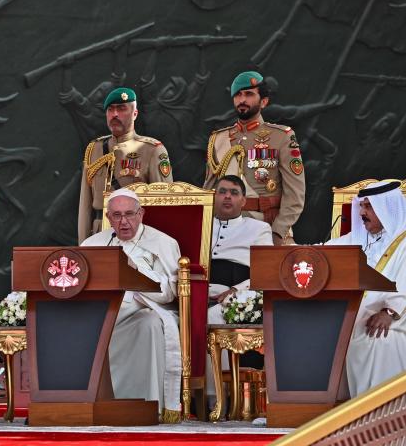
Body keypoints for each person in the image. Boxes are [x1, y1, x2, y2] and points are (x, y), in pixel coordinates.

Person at [326, 181, 406, 396]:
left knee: (377, 341)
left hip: (391, 318)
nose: (362, 212)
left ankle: (375, 410)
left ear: (387, 208)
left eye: (368, 206)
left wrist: (389, 312)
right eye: (361, 206)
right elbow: (324, 253)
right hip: (350, 313)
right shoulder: (355, 238)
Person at [80, 188, 182, 422]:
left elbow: (170, 292)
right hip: (101, 313)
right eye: (117, 215)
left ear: (141, 214)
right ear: (108, 218)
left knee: (148, 324)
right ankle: (89, 403)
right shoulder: (92, 243)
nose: (124, 222)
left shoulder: (164, 243)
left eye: (129, 214)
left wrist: (136, 272)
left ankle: (147, 403)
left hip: (143, 309)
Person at [204, 71, 305, 245]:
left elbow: (295, 195)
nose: (242, 99)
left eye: (249, 94)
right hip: (226, 232)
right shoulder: (217, 139)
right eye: (238, 95)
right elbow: (209, 193)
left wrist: (278, 233)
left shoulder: (282, 136)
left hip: (267, 227)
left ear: (264, 101)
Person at [78, 87, 173, 243]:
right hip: (99, 233)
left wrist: (157, 245)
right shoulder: (94, 149)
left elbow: (164, 205)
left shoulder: (152, 150)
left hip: (137, 237)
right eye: (110, 109)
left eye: (121, 109)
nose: (115, 114)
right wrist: (83, 244)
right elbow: (85, 204)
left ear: (135, 113)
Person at [206, 175, 273, 322]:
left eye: (234, 193)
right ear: (214, 197)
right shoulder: (201, 225)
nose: (227, 196)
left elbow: (266, 272)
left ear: (243, 201)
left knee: (209, 318)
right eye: (222, 192)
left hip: (235, 296)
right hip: (197, 295)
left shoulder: (259, 228)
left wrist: (236, 290)